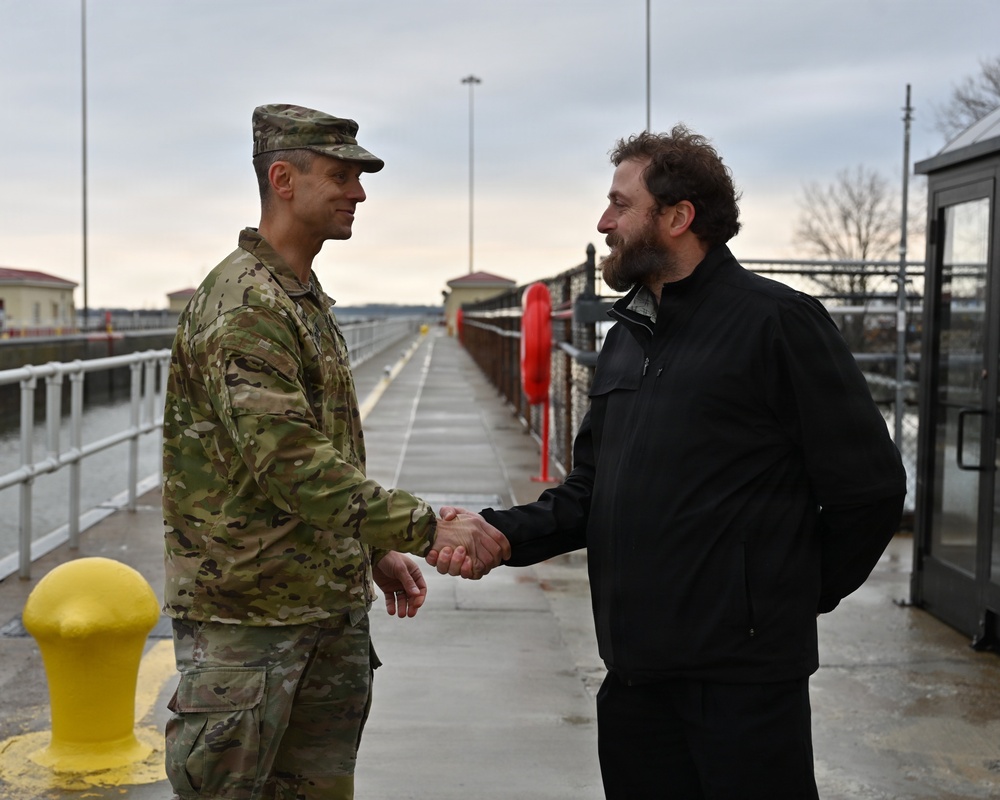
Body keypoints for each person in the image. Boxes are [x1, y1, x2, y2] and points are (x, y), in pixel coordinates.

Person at [431, 125, 906, 799]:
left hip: (740, 686)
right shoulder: (629, 335)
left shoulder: (779, 324)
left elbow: (871, 489)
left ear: (678, 217)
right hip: (633, 679)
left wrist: (787, 598)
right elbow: (592, 491)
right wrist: (500, 533)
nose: (604, 222)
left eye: (620, 205)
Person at [161, 103, 508, 800]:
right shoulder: (245, 304)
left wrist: (366, 550)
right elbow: (291, 462)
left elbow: (310, 453)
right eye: (342, 175)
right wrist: (426, 526)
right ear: (283, 180)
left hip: (315, 613)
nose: (359, 193)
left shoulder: (300, 297)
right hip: (252, 628)